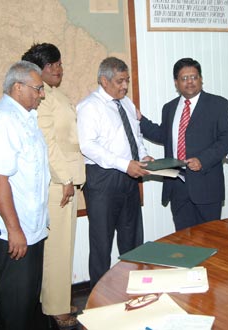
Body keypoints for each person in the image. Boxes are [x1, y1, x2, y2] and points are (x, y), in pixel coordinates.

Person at [0, 60, 50, 330]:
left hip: (33, 226)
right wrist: (14, 229)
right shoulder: (3, 119)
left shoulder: (25, 117)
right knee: (16, 302)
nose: (41, 94)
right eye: (37, 88)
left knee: (28, 298)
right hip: (16, 230)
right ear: (18, 87)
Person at [21, 43, 84, 328]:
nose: (58, 69)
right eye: (52, 65)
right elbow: (48, 143)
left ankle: (55, 299)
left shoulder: (56, 94)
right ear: (37, 70)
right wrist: (65, 178)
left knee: (63, 245)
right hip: (59, 183)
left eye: (59, 63)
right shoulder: (42, 99)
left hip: (68, 179)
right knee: (57, 248)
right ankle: (56, 309)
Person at [77, 57, 151, 288]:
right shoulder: (89, 106)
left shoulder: (126, 103)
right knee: (102, 243)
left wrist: (143, 155)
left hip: (129, 177)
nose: (124, 86)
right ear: (103, 81)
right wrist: (123, 163)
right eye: (120, 81)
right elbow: (87, 145)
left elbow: (136, 136)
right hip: (102, 180)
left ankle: (134, 290)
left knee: (132, 239)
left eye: (126, 80)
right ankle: (98, 301)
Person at [138, 57, 228, 230]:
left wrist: (203, 160)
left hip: (206, 186)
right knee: (184, 242)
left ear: (201, 79)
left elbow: (227, 138)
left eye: (194, 77)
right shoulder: (169, 108)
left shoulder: (217, 104)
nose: (190, 82)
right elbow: (163, 135)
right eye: (184, 78)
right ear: (176, 83)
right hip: (177, 187)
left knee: (210, 240)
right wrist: (140, 120)